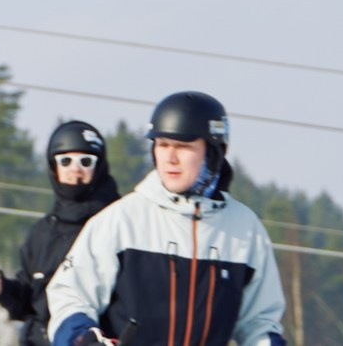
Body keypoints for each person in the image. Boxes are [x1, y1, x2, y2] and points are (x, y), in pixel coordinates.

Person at [46, 91, 287, 346]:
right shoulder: (123, 220)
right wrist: (83, 339)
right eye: (162, 145)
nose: (170, 158)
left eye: (183, 146)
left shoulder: (245, 230)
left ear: (213, 151)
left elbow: (260, 322)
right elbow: (69, 296)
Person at [0, 120, 121, 346]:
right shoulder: (43, 232)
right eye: (66, 161)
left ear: (99, 167)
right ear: (54, 167)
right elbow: (31, 300)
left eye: (85, 161)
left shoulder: (117, 224)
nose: (75, 169)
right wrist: (1, 289)